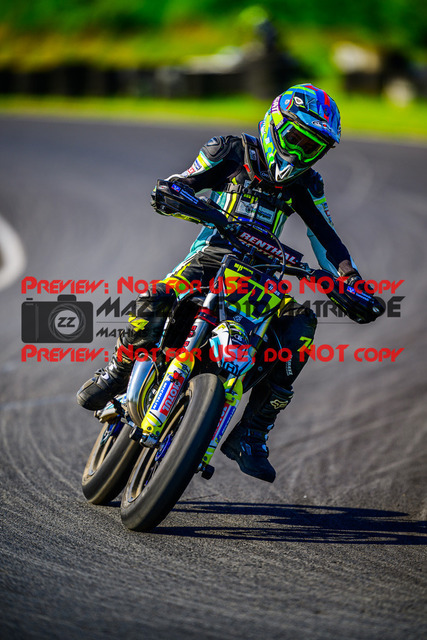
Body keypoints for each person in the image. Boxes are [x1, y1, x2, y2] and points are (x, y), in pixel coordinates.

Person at [77, 83, 382, 483]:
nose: (300, 153)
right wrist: (177, 195)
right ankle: (119, 368)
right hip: (211, 259)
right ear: (275, 124)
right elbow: (182, 181)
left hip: (262, 278)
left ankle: (252, 432)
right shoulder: (232, 150)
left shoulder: (308, 184)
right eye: (296, 139)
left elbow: (326, 238)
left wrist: (351, 281)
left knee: (301, 326)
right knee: (158, 296)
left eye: (313, 148)